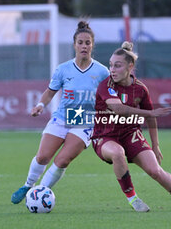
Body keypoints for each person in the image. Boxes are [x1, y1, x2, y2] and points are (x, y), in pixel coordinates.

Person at [91, 41, 171, 212]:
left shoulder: (141, 89)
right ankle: (133, 198)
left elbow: (152, 120)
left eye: (117, 65)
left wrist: (156, 145)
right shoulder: (106, 85)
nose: (112, 70)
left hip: (130, 134)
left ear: (130, 66)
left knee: (155, 170)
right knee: (117, 153)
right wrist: (149, 114)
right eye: (111, 65)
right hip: (105, 136)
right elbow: (119, 109)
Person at [11, 21, 110, 204]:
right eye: (80, 42)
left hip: (85, 121)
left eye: (87, 43)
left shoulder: (102, 72)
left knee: (63, 160)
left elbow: (110, 97)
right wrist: (41, 105)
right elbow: (50, 92)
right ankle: (28, 185)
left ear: (92, 45)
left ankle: (40, 193)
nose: (84, 46)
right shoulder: (63, 69)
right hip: (63, 117)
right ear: (74, 45)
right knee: (42, 157)